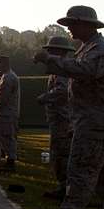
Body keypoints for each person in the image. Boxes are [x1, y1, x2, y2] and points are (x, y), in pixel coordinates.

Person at [33, 6, 104, 209]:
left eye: (73, 23)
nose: (69, 28)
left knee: (80, 171)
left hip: (96, 121)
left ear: (87, 24)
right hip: (99, 120)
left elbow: (89, 70)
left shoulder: (99, 48)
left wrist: (51, 59)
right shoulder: (89, 47)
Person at [35, 36, 74, 199]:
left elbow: (62, 91)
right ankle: (64, 186)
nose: (48, 53)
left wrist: (44, 97)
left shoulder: (63, 70)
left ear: (60, 51)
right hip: (59, 118)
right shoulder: (58, 69)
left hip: (63, 119)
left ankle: (64, 187)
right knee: (59, 152)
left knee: (61, 153)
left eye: (52, 50)